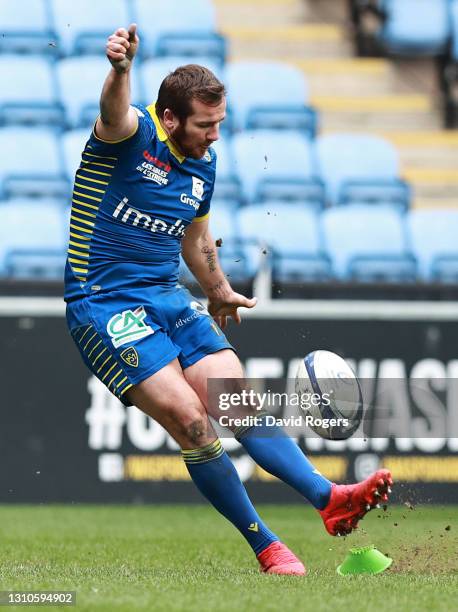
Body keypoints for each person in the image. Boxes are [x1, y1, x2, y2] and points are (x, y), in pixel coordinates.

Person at [64, 23, 393, 575]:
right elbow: (112, 112)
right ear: (171, 119)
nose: (215, 135)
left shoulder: (203, 162)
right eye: (204, 125)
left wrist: (217, 291)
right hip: (104, 304)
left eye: (219, 123)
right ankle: (267, 546)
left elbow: (194, 237)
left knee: (235, 400)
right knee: (193, 421)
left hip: (167, 299)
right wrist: (120, 71)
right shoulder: (132, 133)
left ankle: (329, 500)